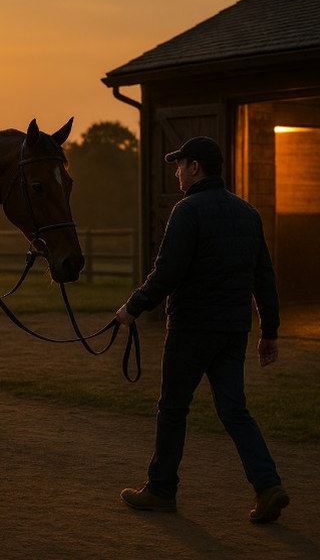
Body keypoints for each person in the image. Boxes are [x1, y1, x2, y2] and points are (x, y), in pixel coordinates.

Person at [115, 136, 289, 524]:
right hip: (232, 330)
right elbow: (264, 276)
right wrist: (269, 331)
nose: (176, 172)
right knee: (234, 410)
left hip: (192, 328)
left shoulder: (187, 211)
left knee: (173, 409)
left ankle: (161, 490)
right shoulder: (247, 213)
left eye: (180, 165)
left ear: (195, 167)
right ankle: (267, 485)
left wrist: (133, 307)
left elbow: (168, 273)